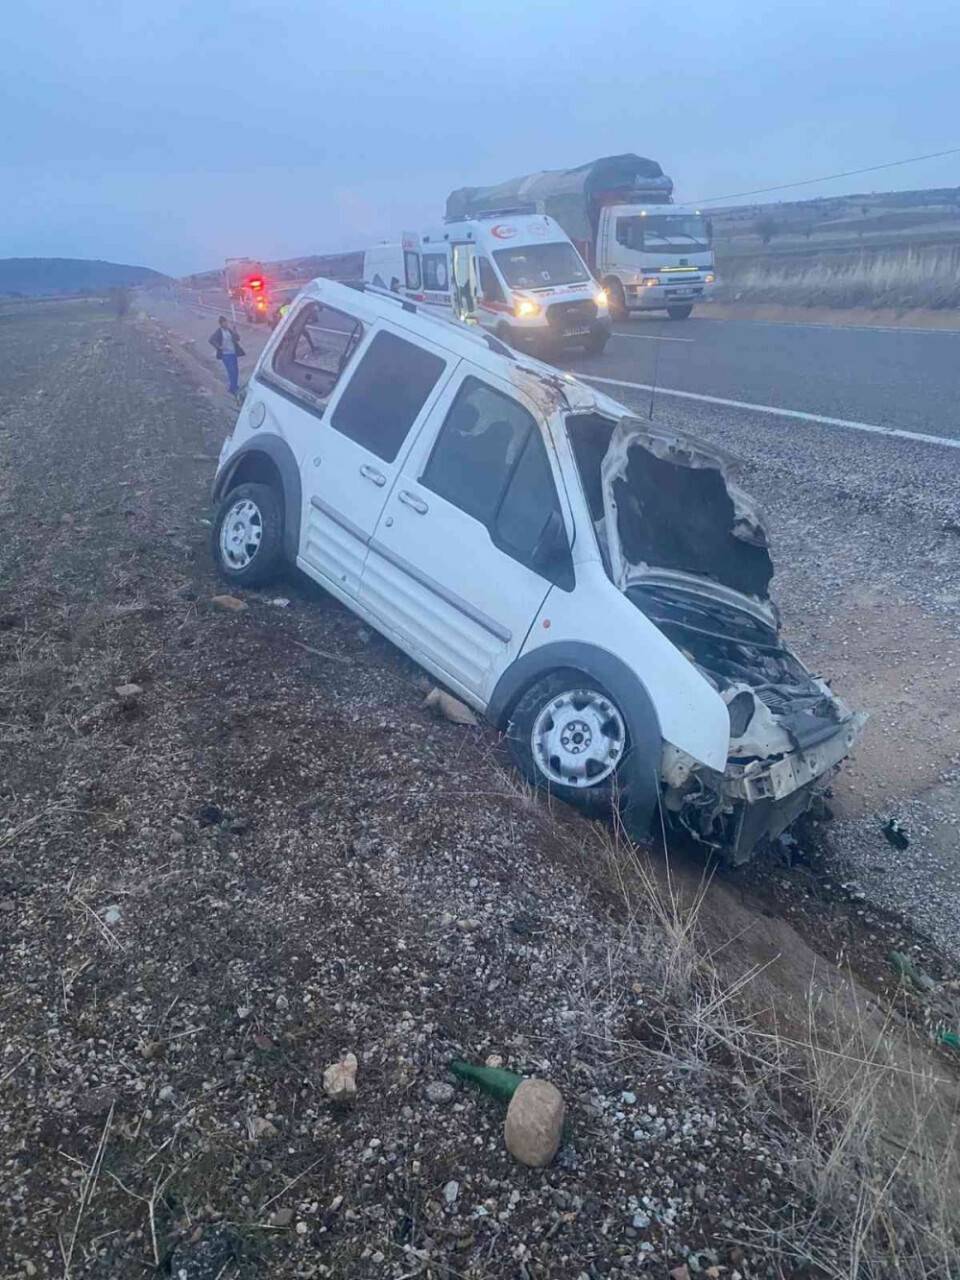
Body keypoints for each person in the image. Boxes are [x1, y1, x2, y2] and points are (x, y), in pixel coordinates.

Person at [209, 316, 245, 398]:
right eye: (224, 323)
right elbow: (211, 340)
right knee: (231, 371)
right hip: (225, 355)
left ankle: (234, 386)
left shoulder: (230, 330)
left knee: (236, 371)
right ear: (221, 324)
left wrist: (235, 331)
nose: (226, 324)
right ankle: (233, 388)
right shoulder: (218, 332)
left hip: (233, 353)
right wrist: (219, 347)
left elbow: (237, 339)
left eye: (226, 322)